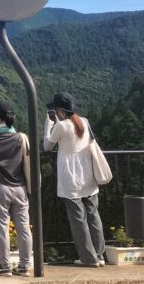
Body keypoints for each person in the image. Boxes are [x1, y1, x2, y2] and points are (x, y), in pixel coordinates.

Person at [43, 92, 106, 267]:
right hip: (88, 175)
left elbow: (47, 146)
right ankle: (100, 255)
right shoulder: (84, 121)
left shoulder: (61, 126)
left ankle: (89, 259)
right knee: (93, 215)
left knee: (78, 220)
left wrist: (48, 125)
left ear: (60, 110)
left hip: (71, 178)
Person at [0, 102, 32, 277]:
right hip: (20, 187)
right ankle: (24, 266)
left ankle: (4, 266)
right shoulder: (21, 138)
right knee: (23, 227)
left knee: (2, 226)